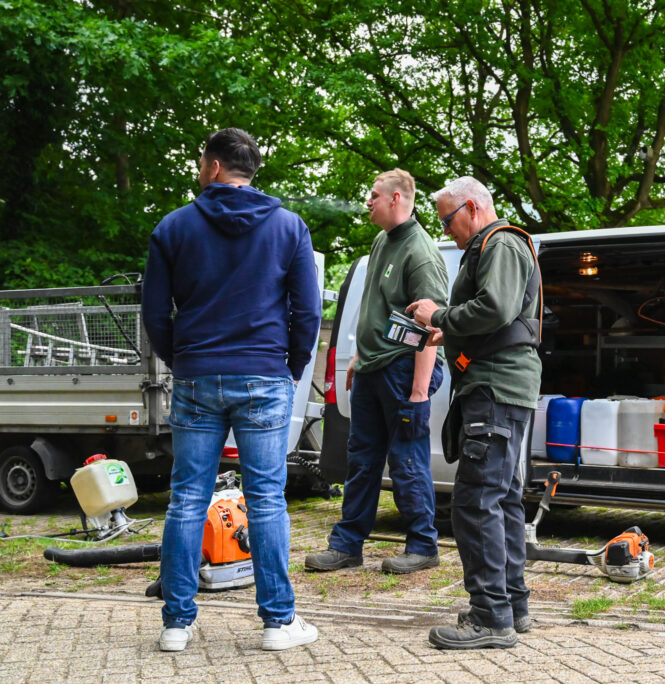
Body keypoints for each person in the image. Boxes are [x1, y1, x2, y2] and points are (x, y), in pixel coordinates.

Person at [142, 128, 321, 652]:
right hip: (263, 374)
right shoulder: (290, 228)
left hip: (198, 373)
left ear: (215, 167)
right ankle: (278, 623)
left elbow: (155, 313)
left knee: (186, 499)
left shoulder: (173, 228)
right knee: (266, 498)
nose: (200, 168)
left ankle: (176, 625)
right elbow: (307, 311)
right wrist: (290, 364)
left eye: (202, 161)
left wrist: (183, 359)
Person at [406, 176, 542, 650]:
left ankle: (490, 618)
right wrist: (456, 333)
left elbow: (497, 307)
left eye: (448, 220)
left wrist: (439, 317)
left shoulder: (500, 243)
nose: (447, 231)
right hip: (504, 388)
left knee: (475, 502)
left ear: (471, 208)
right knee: (502, 498)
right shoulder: (501, 245)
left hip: (495, 388)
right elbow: (496, 316)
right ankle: (512, 606)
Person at [305, 169, 448, 575]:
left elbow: (430, 327)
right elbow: (377, 308)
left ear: (398, 199)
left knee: (406, 460)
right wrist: (359, 357)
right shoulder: (382, 241)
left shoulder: (421, 252)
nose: (367, 201)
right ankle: (347, 545)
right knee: (362, 460)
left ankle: (423, 547)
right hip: (371, 369)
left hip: (404, 372)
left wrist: (419, 390)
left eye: (374, 195)